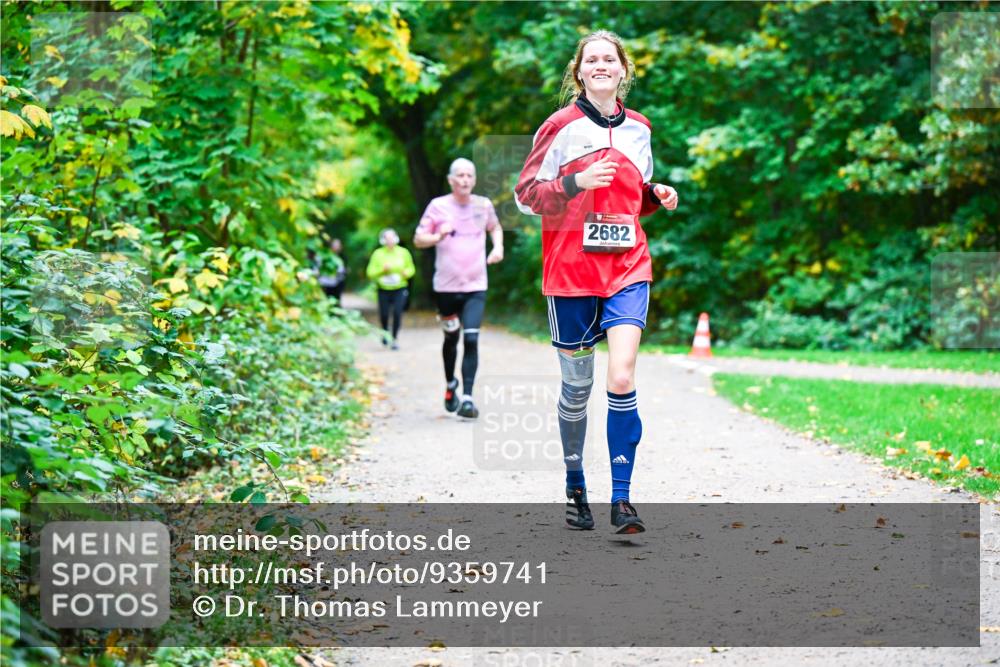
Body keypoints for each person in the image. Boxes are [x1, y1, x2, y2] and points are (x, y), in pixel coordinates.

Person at [514, 30, 678, 534]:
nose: (601, 65)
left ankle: (622, 501)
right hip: (570, 274)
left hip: (627, 267)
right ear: (579, 71)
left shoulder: (640, 128)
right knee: (577, 389)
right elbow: (525, 195)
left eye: (610, 58)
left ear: (623, 69)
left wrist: (656, 194)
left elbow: (632, 197)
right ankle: (575, 483)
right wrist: (573, 183)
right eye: (592, 60)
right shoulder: (559, 126)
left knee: (622, 377)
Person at [414, 158, 504, 419]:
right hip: (446, 288)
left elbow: (495, 227)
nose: (465, 180)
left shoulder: (483, 205)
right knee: (451, 338)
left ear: (474, 180)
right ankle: (451, 383)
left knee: (472, 338)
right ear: (451, 180)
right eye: (460, 175)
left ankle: (467, 397)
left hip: (476, 285)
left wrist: (498, 247)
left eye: (469, 175)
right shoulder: (437, 206)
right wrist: (438, 236)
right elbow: (418, 239)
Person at [365, 229, 415, 350]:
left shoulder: (404, 252)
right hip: (383, 289)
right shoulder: (378, 254)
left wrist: (406, 273)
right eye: (387, 238)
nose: (390, 241)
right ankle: (385, 333)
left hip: (400, 288)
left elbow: (411, 269)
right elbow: (370, 273)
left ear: (396, 239)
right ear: (383, 240)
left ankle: (394, 338)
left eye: (392, 238)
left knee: (397, 313)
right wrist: (382, 270)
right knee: (384, 314)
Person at [315, 238, 347, 302]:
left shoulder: (341, 258)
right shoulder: (323, 255)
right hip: (324, 283)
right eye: (335, 245)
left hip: (336, 284)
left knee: (335, 301)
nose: (337, 248)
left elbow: (341, 271)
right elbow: (317, 268)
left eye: (338, 246)